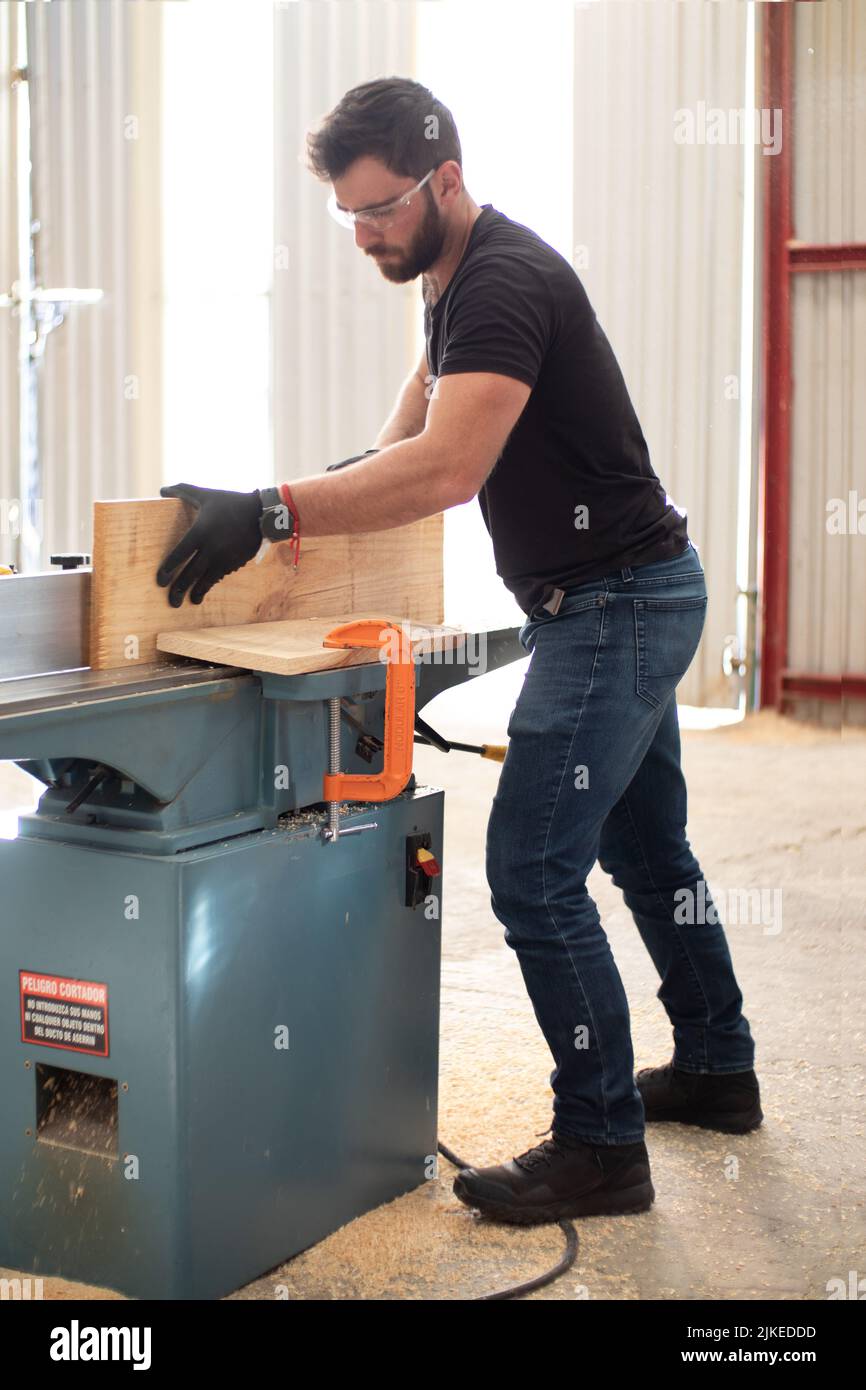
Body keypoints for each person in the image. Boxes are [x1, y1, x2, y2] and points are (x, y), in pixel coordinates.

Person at [156, 77, 761, 1225]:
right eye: (345, 216)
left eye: (378, 209)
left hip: (616, 604)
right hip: (616, 594)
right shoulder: (446, 284)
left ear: (443, 178)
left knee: (533, 873)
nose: (363, 235)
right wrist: (268, 511)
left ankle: (598, 1143)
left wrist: (275, 508)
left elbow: (443, 474)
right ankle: (717, 1066)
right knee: (646, 853)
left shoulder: (502, 284)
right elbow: (395, 447)